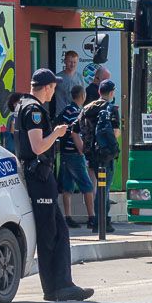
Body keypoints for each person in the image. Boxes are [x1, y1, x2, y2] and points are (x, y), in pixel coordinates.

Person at [15, 68, 94, 302]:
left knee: (57, 229)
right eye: (53, 87)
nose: (54, 92)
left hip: (39, 175)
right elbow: (38, 146)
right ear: (47, 87)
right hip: (39, 175)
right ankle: (57, 287)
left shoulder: (24, 105)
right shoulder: (33, 110)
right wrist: (57, 134)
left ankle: (62, 284)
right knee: (51, 231)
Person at [80, 80, 121, 232]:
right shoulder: (111, 109)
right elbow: (115, 132)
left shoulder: (86, 108)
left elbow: (77, 129)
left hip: (91, 154)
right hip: (105, 155)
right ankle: (101, 222)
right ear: (111, 93)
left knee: (98, 186)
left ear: (99, 92)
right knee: (105, 188)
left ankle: (100, 221)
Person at [56, 85, 93, 228]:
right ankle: (92, 217)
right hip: (75, 154)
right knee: (87, 185)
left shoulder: (66, 110)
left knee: (67, 187)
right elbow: (75, 133)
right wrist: (82, 150)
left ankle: (68, 216)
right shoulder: (77, 112)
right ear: (83, 95)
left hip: (65, 153)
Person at [52, 50, 86, 116]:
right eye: (70, 62)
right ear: (65, 61)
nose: (72, 64)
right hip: (61, 114)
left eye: (74, 62)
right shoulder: (57, 77)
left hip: (76, 115)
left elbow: (83, 96)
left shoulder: (80, 78)